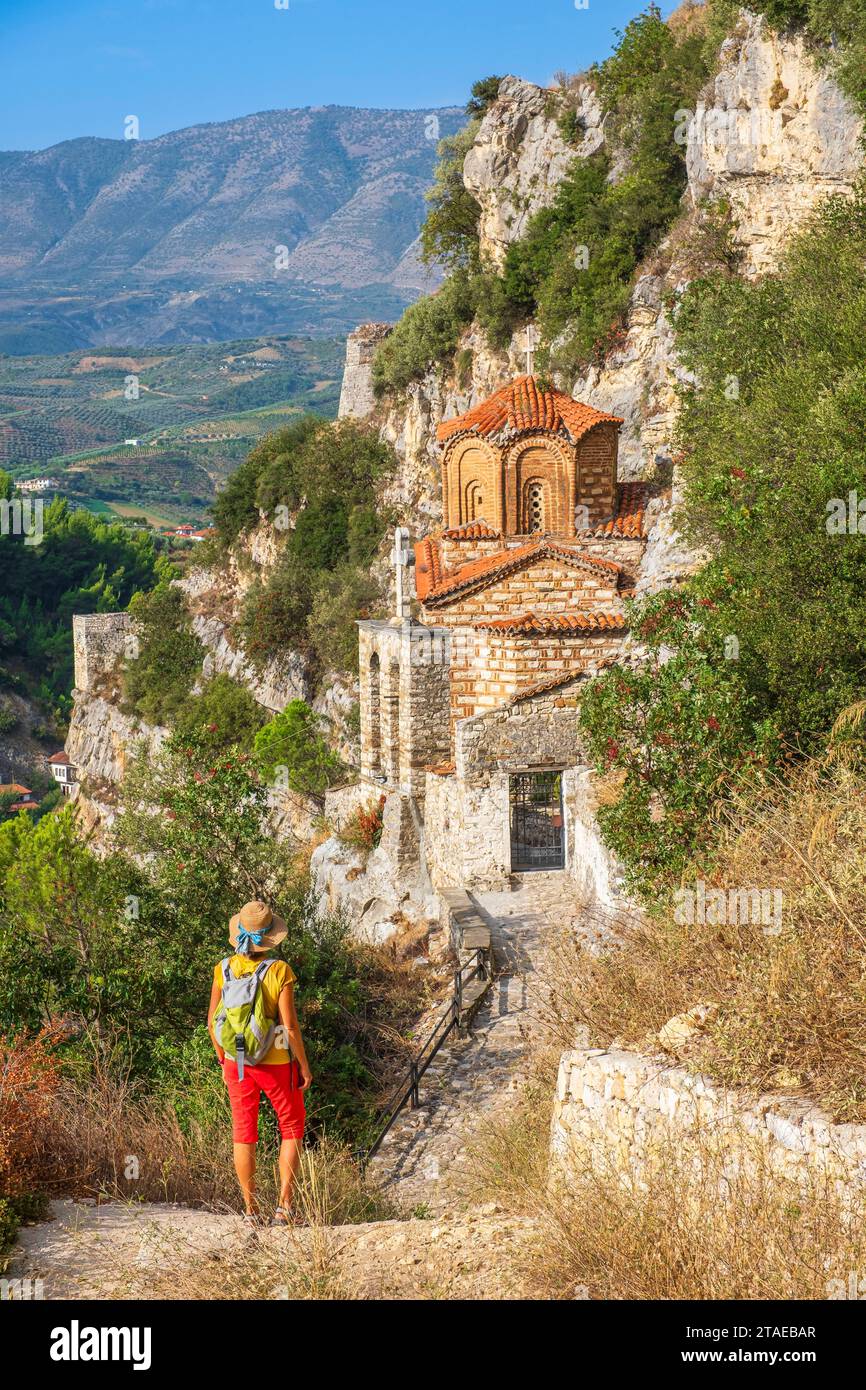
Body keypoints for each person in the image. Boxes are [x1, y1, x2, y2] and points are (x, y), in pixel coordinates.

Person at [208, 900, 312, 1227]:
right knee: (292, 1126)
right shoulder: (279, 971)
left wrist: (223, 1055)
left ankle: (251, 1210)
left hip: (237, 1062)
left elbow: (212, 1020)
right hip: (277, 1060)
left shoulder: (223, 968)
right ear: (270, 939)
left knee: (244, 1132)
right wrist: (305, 1067)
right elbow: (289, 1026)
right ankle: (284, 1207)